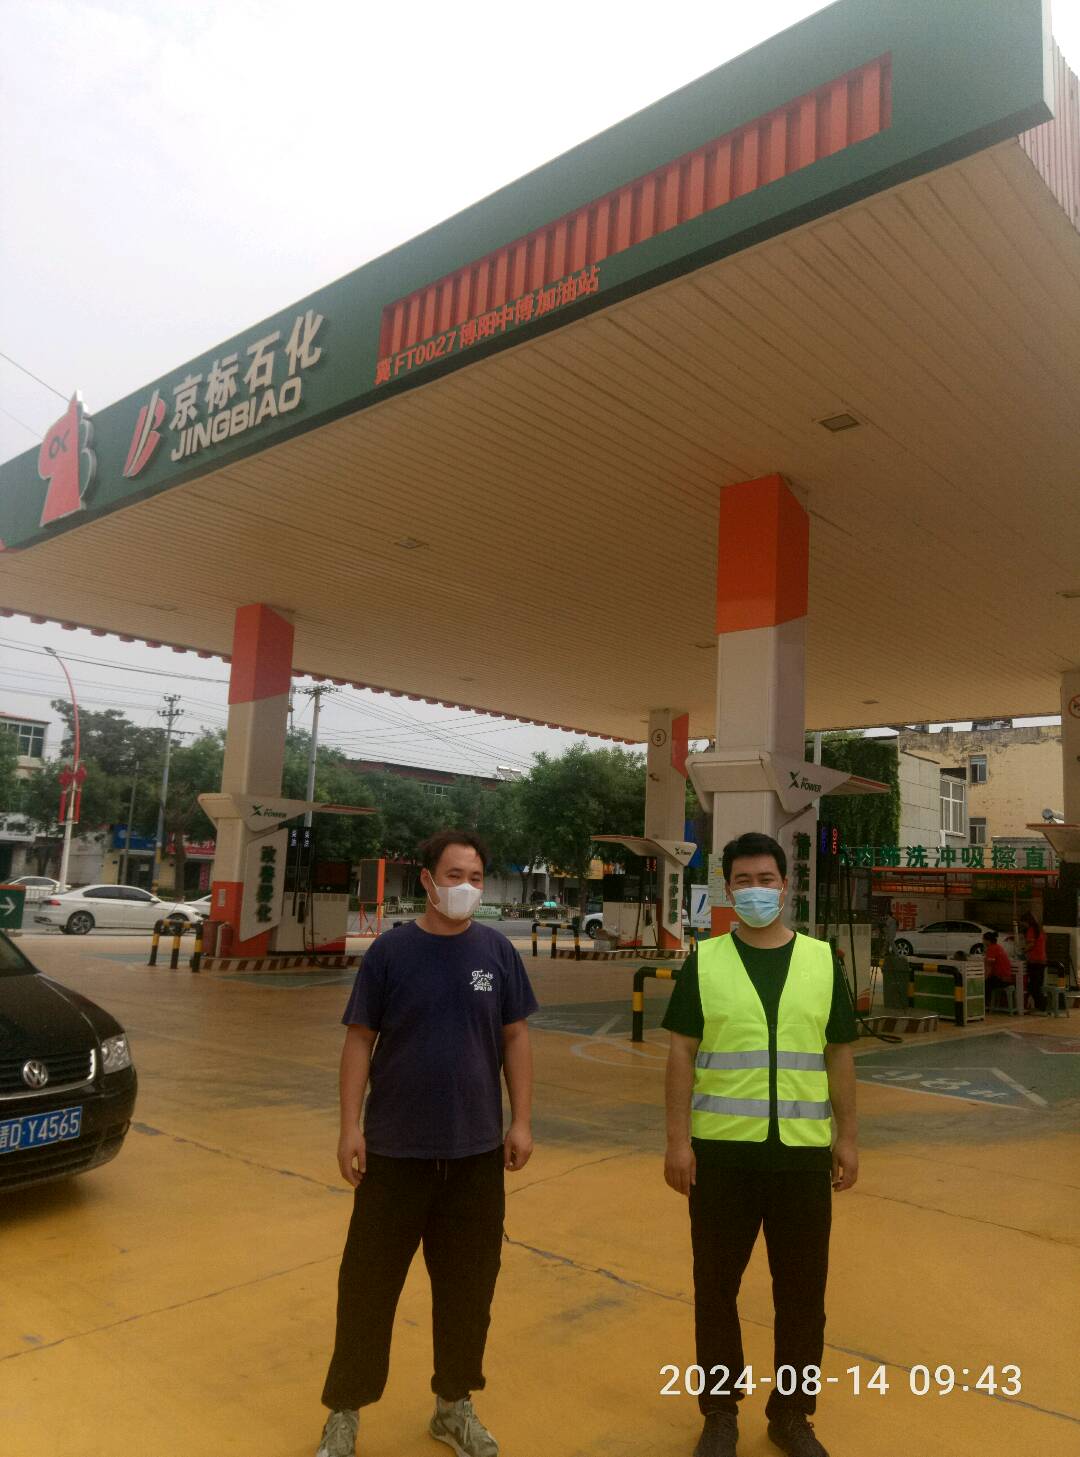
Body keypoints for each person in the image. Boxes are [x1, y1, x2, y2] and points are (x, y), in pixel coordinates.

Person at [315, 831, 538, 1457]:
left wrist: (521, 1121)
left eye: (476, 876)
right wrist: (350, 1126)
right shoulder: (391, 952)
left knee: (469, 1290)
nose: (466, 886)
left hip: (475, 1156)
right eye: (454, 874)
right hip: (394, 1154)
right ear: (427, 880)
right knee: (367, 1288)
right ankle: (344, 1411)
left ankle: (453, 1406)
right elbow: (360, 1039)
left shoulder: (497, 951)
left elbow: (516, 1038)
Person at [663, 831, 859, 1457]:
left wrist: (848, 1138)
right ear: (727, 889)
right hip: (720, 1158)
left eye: (765, 879)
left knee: (802, 1295)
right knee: (716, 1289)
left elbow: (839, 1055)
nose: (755, 890)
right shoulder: (705, 961)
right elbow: (681, 1053)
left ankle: (792, 1416)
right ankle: (720, 1414)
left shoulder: (822, 961)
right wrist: (676, 1143)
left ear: (785, 885)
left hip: (802, 1157)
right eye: (743, 881)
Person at [982, 930, 1017, 1010]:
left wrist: (984, 978)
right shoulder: (998, 947)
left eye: (983, 939)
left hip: (1001, 979)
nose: (982, 941)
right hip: (1007, 978)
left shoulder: (991, 949)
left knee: (982, 984)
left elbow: (989, 967)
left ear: (988, 941)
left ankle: (984, 1005)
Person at [1020, 912, 1047, 1013]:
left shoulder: (1031, 930)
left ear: (1027, 921)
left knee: (1033, 986)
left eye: (1023, 923)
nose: (1023, 925)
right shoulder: (1040, 930)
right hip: (1042, 960)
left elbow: (1031, 944)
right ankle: (1041, 1006)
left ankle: (1042, 1006)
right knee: (1037, 985)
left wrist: (1023, 950)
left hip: (1034, 961)